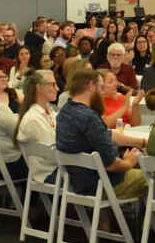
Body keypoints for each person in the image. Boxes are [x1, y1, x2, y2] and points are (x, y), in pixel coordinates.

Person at [54, 71, 145, 199]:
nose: (102, 93)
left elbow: (106, 136)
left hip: (77, 181)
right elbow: (111, 164)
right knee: (152, 177)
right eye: (101, 87)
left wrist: (141, 142)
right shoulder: (90, 118)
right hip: (101, 184)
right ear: (91, 86)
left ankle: (105, 219)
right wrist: (129, 162)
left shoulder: (64, 112)